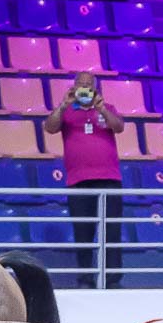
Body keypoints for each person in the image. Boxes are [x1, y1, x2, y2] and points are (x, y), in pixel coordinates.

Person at [43, 71, 125, 288]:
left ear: (95, 88)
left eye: (89, 85)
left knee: (111, 231)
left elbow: (118, 127)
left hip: (109, 179)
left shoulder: (108, 108)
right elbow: (50, 127)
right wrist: (63, 105)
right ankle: (85, 279)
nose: (85, 88)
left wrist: (101, 109)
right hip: (78, 180)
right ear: (74, 87)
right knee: (83, 232)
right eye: (81, 84)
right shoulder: (67, 111)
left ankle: (112, 280)